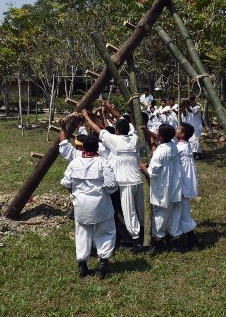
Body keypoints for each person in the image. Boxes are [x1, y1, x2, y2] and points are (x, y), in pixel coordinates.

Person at [59, 130, 118, 278]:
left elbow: (66, 183)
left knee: (82, 234)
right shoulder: (103, 163)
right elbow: (111, 186)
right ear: (97, 148)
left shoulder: (75, 163)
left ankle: (83, 265)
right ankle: (103, 263)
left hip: (81, 206)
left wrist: (75, 193)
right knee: (105, 232)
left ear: (83, 147)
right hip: (101, 205)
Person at [83, 108, 144, 249]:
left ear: (116, 130)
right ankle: (144, 232)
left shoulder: (115, 141)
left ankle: (136, 240)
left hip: (125, 182)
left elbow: (98, 130)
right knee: (140, 209)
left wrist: (87, 117)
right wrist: (110, 110)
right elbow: (131, 124)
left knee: (129, 212)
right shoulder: (134, 138)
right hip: (138, 180)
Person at [140, 123, 183, 253]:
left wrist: (143, 168)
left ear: (162, 136)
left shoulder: (160, 151)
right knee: (172, 213)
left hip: (162, 187)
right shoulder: (174, 146)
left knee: (160, 214)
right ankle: (173, 237)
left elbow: (152, 172)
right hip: (174, 186)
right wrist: (147, 132)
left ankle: (158, 240)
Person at [175, 122, 199, 249]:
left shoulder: (180, 149)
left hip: (182, 185)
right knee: (182, 211)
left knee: (184, 213)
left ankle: (191, 239)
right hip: (185, 185)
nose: (176, 129)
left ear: (182, 134)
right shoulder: (185, 146)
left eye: (178, 129)